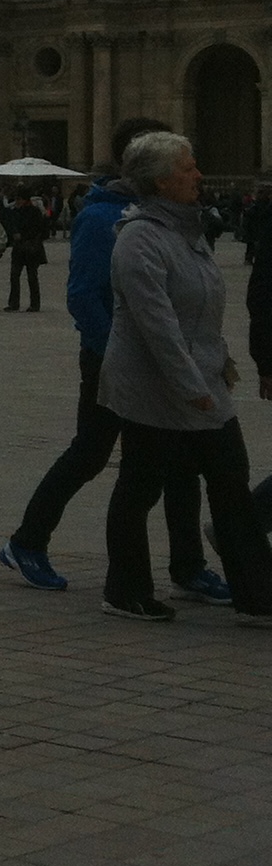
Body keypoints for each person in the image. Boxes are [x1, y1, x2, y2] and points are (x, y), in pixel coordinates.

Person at [1, 164, 218, 597]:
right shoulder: (103, 220)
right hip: (114, 360)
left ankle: (189, 566)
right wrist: (114, 354)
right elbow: (83, 295)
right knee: (91, 453)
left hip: (161, 358)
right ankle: (26, 542)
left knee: (179, 462)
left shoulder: (165, 216)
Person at [96, 129, 272, 623]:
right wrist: (194, 389)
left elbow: (201, 313)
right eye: (189, 167)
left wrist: (221, 365)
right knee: (140, 487)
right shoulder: (139, 240)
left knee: (230, 484)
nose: (199, 174)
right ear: (161, 181)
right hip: (153, 390)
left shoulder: (184, 233)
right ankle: (125, 590)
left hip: (199, 383)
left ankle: (258, 594)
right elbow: (158, 329)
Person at [4, 192, 51, 312]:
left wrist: (24, 235)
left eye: (19, 199)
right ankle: (14, 303)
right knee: (14, 275)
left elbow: (41, 230)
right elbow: (11, 225)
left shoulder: (34, 212)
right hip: (19, 247)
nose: (17, 201)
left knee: (32, 276)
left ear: (26, 200)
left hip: (31, 247)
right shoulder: (15, 211)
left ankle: (34, 304)